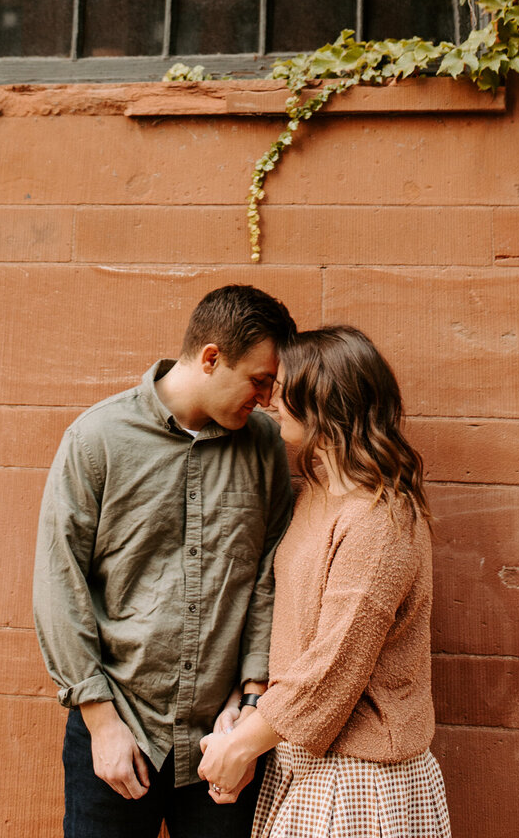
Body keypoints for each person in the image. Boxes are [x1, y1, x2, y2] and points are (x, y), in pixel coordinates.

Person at [33, 283, 297, 838]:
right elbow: (60, 584)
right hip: (118, 731)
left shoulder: (266, 446)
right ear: (210, 358)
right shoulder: (97, 439)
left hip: (220, 739)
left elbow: (267, 581)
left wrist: (251, 705)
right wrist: (100, 722)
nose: (267, 400)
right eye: (259, 381)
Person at [197, 326, 451, 838]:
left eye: (282, 386)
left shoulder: (380, 518)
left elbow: (336, 664)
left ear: (324, 401)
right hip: (304, 763)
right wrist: (247, 722)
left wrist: (243, 745)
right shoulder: (317, 494)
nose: (267, 398)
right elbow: (296, 635)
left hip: (360, 783)